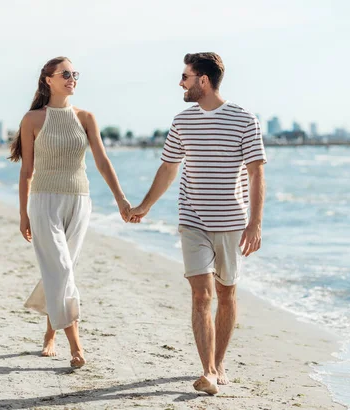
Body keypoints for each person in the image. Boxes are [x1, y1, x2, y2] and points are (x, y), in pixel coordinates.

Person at [129, 52, 267, 395]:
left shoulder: (244, 119)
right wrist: (145, 205)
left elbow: (256, 173)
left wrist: (255, 224)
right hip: (192, 220)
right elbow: (169, 168)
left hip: (232, 222)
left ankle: (219, 363)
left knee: (226, 293)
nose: (181, 83)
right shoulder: (182, 121)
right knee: (201, 295)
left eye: (186, 77)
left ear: (203, 80)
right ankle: (207, 371)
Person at [9, 56, 132, 368]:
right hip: (43, 202)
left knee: (62, 271)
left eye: (74, 73)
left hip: (79, 200)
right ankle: (76, 347)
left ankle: (50, 332)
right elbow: (26, 172)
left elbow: (102, 162)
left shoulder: (86, 117)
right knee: (61, 269)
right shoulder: (33, 119)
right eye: (65, 73)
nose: (72, 78)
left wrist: (120, 200)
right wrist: (23, 215)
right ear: (48, 79)